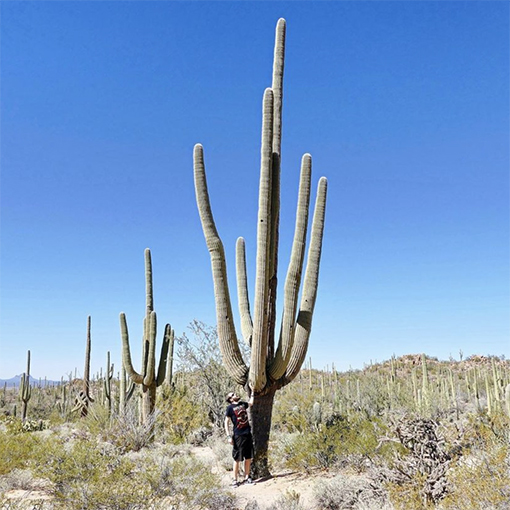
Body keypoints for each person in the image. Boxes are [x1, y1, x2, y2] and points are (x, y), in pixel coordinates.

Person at [224, 391, 255, 487]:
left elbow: (250, 403)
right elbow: (226, 422)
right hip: (238, 435)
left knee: (248, 457)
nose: (235, 394)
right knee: (237, 458)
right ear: (230, 399)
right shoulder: (230, 408)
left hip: (247, 433)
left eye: (234, 393)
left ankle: (247, 478)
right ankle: (235, 480)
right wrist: (229, 436)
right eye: (232, 395)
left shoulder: (242, 404)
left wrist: (253, 392)